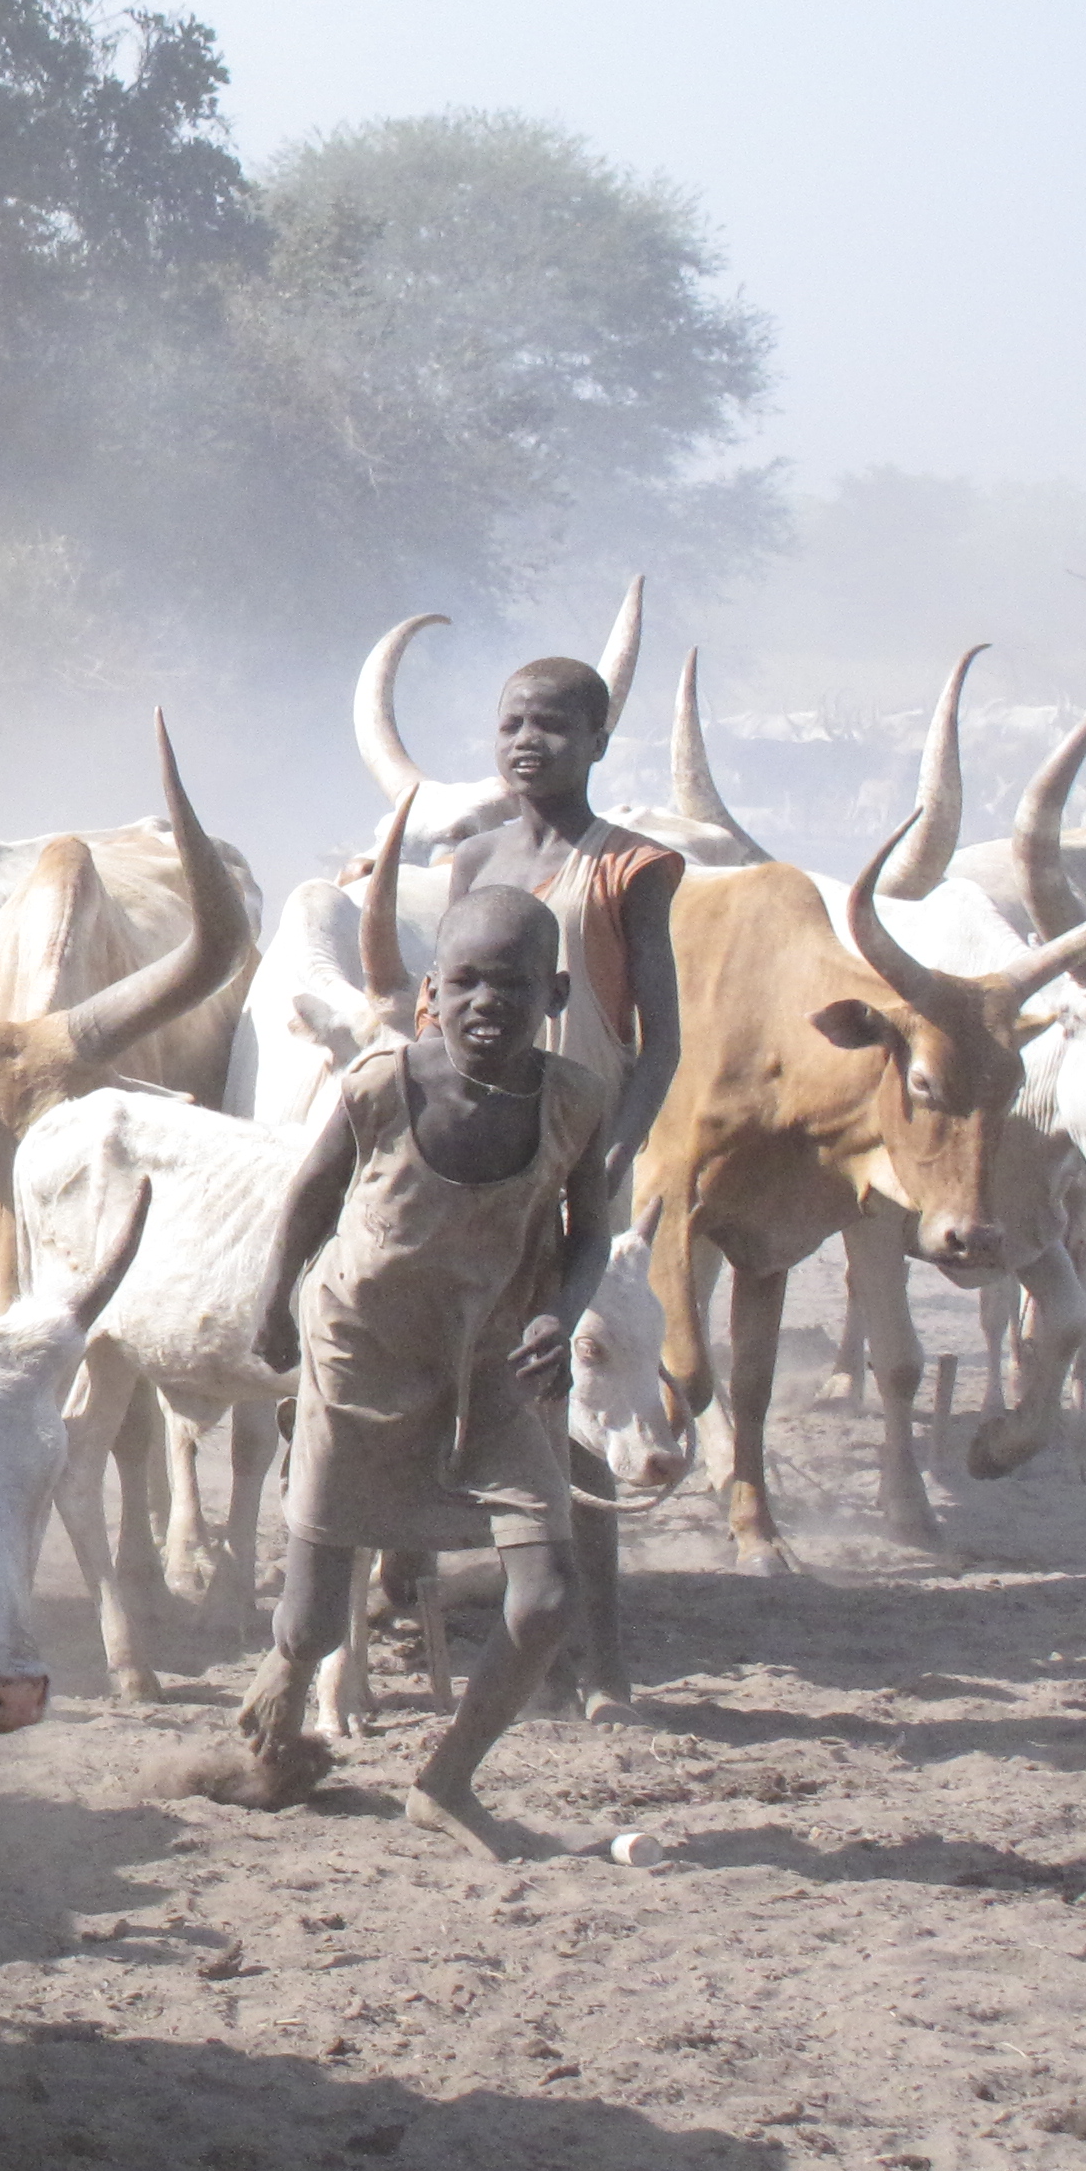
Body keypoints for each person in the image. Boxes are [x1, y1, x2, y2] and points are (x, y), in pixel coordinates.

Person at [223, 886, 619, 1859]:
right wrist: (275, 1304)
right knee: (315, 1623)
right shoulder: (380, 1086)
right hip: (360, 1357)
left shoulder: (572, 1106)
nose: (489, 1003)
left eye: (515, 985)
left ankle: (445, 1781)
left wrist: (560, 1318)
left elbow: (590, 1233)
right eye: (468, 981)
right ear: (434, 990)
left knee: (549, 1599)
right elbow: (309, 1201)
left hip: (488, 1373)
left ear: (554, 993)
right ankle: (279, 1683)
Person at [442, 652, 683, 1714]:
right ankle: (499, 1634)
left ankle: (605, 1657)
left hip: (586, 1164)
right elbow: (433, 1016)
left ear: (596, 742)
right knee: (470, 1375)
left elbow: (659, 1039)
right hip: (480, 1157)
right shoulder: (475, 858)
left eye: (550, 725)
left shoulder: (631, 869)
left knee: (574, 1393)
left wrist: (620, 1147)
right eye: (510, 724)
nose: (526, 741)